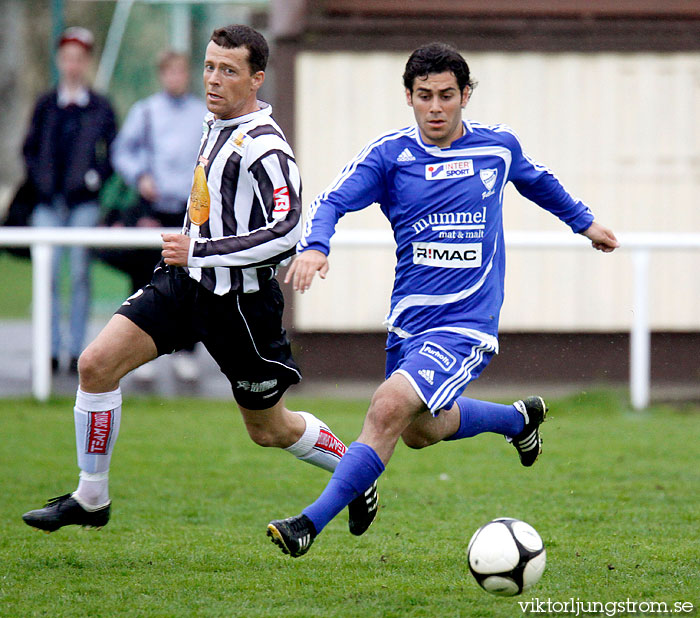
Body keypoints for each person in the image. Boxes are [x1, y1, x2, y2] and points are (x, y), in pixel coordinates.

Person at [21, 24, 377, 536]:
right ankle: (91, 497)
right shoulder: (215, 123)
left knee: (269, 429)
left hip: (241, 306)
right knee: (95, 365)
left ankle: (357, 472)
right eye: (209, 66)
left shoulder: (265, 147)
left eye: (227, 70)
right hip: (185, 284)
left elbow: (287, 231)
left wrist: (202, 247)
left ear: (256, 79)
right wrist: (191, 252)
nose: (213, 78)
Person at [266, 42, 619, 557]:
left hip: (468, 321)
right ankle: (518, 420)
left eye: (447, 95)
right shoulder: (390, 156)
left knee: (386, 408)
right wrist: (317, 245)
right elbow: (333, 200)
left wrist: (585, 223)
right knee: (420, 432)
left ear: (465, 95)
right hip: (410, 321)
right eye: (425, 96)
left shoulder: (497, 148)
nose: (436, 107)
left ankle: (308, 523)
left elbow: (538, 183)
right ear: (408, 97)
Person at [109, 50, 208, 381]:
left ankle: (187, 352)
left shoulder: (202, 113)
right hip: (152, 209)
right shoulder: (146, 111)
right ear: (161, 75)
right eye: (169, 72)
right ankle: (141, 352)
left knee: (189, 280)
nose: (175, 78)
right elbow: (122, 151)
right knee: (144, 279)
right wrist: (140, 176)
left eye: (180, 72)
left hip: (187, 210)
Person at [22, 27, 117, 373]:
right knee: (46, 275)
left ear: (86, 62)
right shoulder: (46, 105)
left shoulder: (100, 108)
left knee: (79, 274)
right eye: (68, 58)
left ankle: (77, 350)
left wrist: (91, 181)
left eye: (79, 59)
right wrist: (42, 184)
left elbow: (111, 154)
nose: (73, 66)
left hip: (82, 205)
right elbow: (30, 151)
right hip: (48, 203)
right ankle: (49, 348)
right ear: (60, 61)